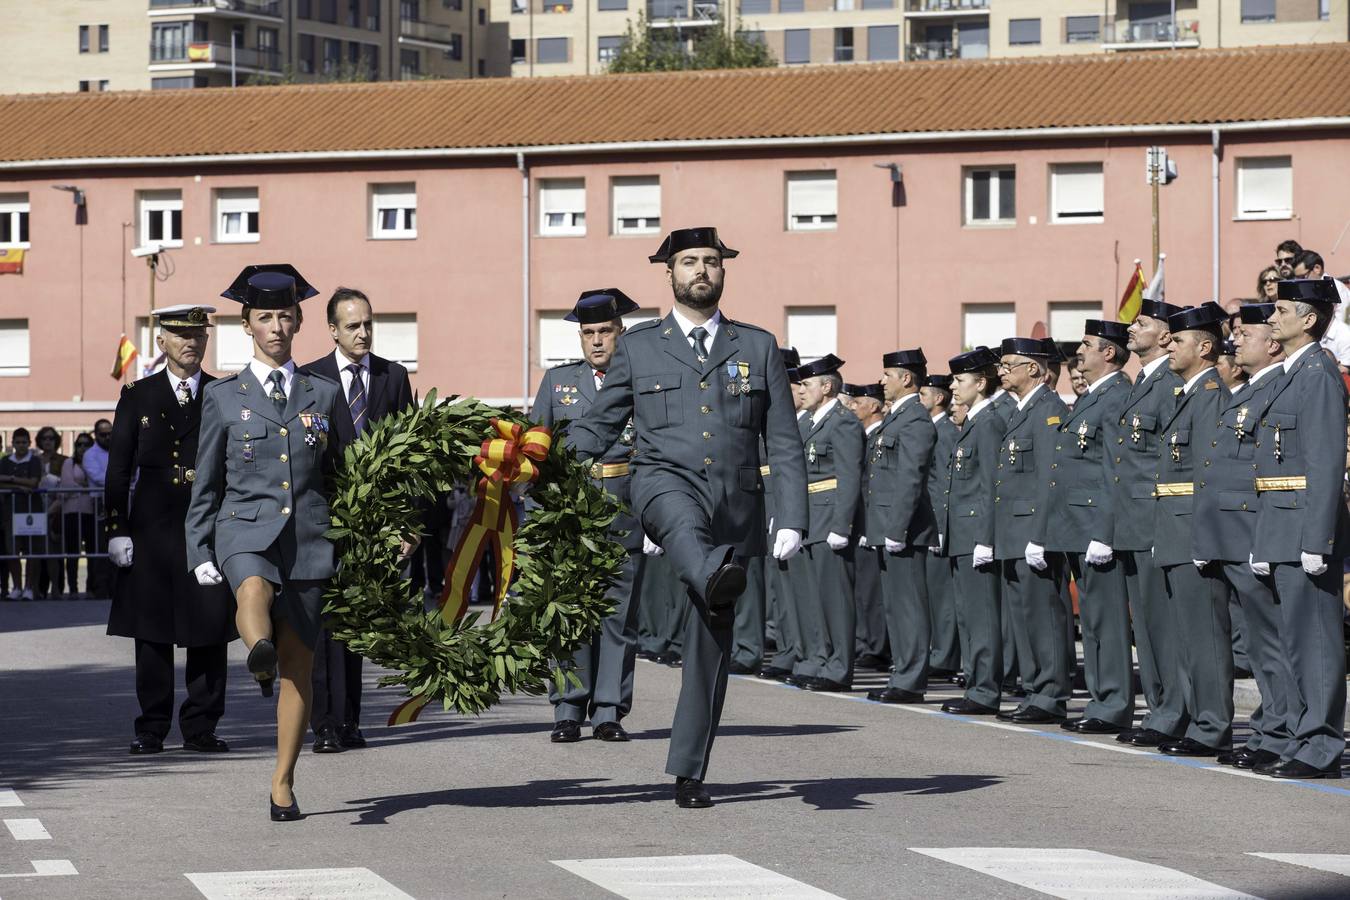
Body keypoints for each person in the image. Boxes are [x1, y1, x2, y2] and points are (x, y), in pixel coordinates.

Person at [567, 227, 807, 809]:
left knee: (709, 646)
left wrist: (793, 518)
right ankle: (710, 570)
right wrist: (543, 455)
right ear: (668, 273)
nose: (701, 270)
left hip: (735, 507)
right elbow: (601, 424)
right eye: (689, 262)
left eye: (711, 262)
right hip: (661, 486)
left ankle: (689, 769)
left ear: (723, 271)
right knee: (680, 522)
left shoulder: (758, 346)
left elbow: (783, 439)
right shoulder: (640, 346)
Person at [186, 264, 342, 821]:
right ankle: (257, 651)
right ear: (246, 326)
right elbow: (206, 480)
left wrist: (377, 533)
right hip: (243, 526)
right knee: (251, 587)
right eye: (263, 317)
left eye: (284, 316)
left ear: (299, 321)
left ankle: (283, 782)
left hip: (308, 536)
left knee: (299, 667)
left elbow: (343, 474)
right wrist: (198, 548)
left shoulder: (322, 394)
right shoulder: (224, 397)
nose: (275, 326)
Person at [106, 305, 238, 756]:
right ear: (160, 341)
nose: (191, 343)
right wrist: (116, 528)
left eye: (198, 335)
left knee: (208, 627)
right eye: (180, 335)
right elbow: (119, 469)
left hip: (206, 525)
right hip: (153, 526)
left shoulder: (223, 393)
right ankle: (152, 727)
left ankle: (201, 726)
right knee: (153, 632)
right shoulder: (138, 395)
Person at [300, 286, 415, 755]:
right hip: (324, 520)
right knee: (325, 624)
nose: (363, 332)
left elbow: (409, 456)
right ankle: (325, 723)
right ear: (332, 329)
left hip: (376, 525)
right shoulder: (311, 378)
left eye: (368, 323)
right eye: (353, 325)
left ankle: (349, 720)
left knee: (357, 622)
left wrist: (407, 524)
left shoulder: (392, 376)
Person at [531, 288, 647, 744]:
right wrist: (540, 515)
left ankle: (608, 710)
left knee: (618, 614)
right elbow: (536, 451)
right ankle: (567, 706)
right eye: (588, 333)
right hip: (569, 512)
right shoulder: (557, 382)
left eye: (604, 331)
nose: (596, 341)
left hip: (623, 506)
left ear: (621, 333)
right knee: (569, 610)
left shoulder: (642, 380)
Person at [1248, 278, 1349, 779]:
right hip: (1281, 526)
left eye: (1282, 309)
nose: (1272, 317)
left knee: (1317, 643)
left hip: (1304, 529)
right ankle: (1307, 738)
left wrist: (1317, 539)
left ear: (1309, 319)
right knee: (1295, 642)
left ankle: (1322, 744)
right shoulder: (1292, 373)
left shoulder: (1318, 373)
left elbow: (1326, 460)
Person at [1194, 302, 1291, 770]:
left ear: (1272, 343)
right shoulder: (1248, 389)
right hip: (1229, 533)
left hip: (1251, 530)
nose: (1236, 342)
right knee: (1255, 642)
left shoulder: (1277, 387)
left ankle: (1280, 730)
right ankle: (1272, 729)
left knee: (1270, 642)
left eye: (1245, 334)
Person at [1152, 302, 1233, 757]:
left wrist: (1206, 537)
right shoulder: (1188, 395)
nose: (1169, 345)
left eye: (1178, 340)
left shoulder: (1209, 396)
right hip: (1174, 528)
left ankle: (1212, 725)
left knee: (1205, 634)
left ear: (1204, 347)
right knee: (1187, 633)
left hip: (1192, 530)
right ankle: (1198, 720)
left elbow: (1207, 473)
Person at [1108, 297, 1188, 749]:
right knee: (1147, 626)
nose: (1131, 328)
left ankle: (1173, 710)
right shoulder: (1144, 383)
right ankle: (1161, 708)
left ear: (1164, 335)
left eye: (1141, 322)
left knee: (1162, 624)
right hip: (1134, 519)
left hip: (1156, 516)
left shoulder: (1170, 384)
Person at [1048, 321, 1135, 734]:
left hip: (1096, 525)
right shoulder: (1094, 397)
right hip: (1076, 524)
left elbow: (1113, 471)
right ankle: (1102, 699)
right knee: (1095, 622)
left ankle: (1114, 702)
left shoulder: (1117, 396)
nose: (1079, 353)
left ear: (1110, 354)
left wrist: (1105, 530)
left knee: (1106, 619)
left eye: (1087, 345)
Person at [995, 338, 1072, 723]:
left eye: (1010, 364)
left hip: (1032, 530)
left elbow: (1049, 479)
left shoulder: (1048, 411)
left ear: (1035, 370)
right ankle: (1034, 689)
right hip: (1012, 529)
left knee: (1043, 615)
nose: (1002, 371)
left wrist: (1040, 535)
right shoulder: (1021, 410)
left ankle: (1051, 693)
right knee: (1024, 616)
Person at [782, 353, 862, 693]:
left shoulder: (843, 421)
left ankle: (839, 666)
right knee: (813, 597)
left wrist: (842, 525)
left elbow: (848, 475)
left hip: (830, 516)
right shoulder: (811, 422)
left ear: (827, 387)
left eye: (809, 384)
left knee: (835, 599)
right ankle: (819, 659)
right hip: (810, 516)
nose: (802, 390)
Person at [864, 349, 937, 704]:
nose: (882, 381)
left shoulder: (916, 421)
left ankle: (911, 680)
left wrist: (897, 528)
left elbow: (910, 479)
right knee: (895, 606)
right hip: (886, 526)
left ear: (906, 379)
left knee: (908, 606)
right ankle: (902, 672)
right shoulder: (899, 418)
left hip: (904, 530)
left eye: (887, 375)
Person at [940, 347, 1006, 715]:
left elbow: (990, 486)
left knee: (981, 617)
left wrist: (986, 538)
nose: (953, 386)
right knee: (968, 615)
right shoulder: (975, 422)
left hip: (975, 534)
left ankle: (984, 690)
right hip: (962, 533)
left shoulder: (989, 422)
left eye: (960, 380)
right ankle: (976, 683)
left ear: (981, 383)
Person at [919, 373, 961, 680]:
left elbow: (947, 481)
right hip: (930, 519)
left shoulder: (945, 431)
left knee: (943, 596)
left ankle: (945, 656)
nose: (919, 401)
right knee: (933, 593)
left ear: (939, 398)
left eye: (923, 395)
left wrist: (942, 525)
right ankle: (938, 651)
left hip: (939, 521)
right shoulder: (933, 429)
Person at [848, 382, 890, 672]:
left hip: (874, 524)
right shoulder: (863, 437)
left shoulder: (879, 436)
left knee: (874, 592)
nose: (852, 407)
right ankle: (865, 642)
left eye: (857, 402)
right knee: (862, 590)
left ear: (873, 406)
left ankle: (877, 647)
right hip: (860, 524)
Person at [0, 429, 41, 600]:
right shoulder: (4, 461)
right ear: (12, 443)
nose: (21, 445)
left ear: (29, 443)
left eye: (24, 442)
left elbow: (33, 482)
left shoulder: (34, 460)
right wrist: (18, 486)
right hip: (10, 512)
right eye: (18, 442)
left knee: (31, 551)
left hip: (32, 512)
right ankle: (16, 587)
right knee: (12, 551)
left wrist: (10, 480)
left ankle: (29, 588)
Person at [57, 433, 96, 598]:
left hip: (90, 512)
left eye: (86, 444)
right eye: (79, 444)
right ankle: (73, 588)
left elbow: (99, 481)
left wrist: (81, 485)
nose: (82, 448)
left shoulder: (93, 462)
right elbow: (66, 485)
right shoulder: (69, 462)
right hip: (71, 512)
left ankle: (90, 588)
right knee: (72, 552)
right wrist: (87, 486)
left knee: (92, 552)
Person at [34, 426, 66, 598]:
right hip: (36, 510)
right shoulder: (34, 460)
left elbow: (64, 488)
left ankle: (55, 589)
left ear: (56, 441)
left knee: (53, 553)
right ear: (39, 441)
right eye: (44, 438)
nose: (48, 441)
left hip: (56, 509)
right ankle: (36, 590)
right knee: (37, 553)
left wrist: (51, 511)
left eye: (51, 438)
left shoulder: (64, 460)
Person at [83, 418, 113, 598]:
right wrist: (120, 480)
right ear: (96, 435)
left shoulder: (120, 449)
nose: (108, 437)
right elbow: (98, 477)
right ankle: (100, 589)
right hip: (99, 506)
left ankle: (115, 588)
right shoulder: (90, 454)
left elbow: (134, 473)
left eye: (110, 433)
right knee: (100, 548)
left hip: (122, 502)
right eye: (103, 434)